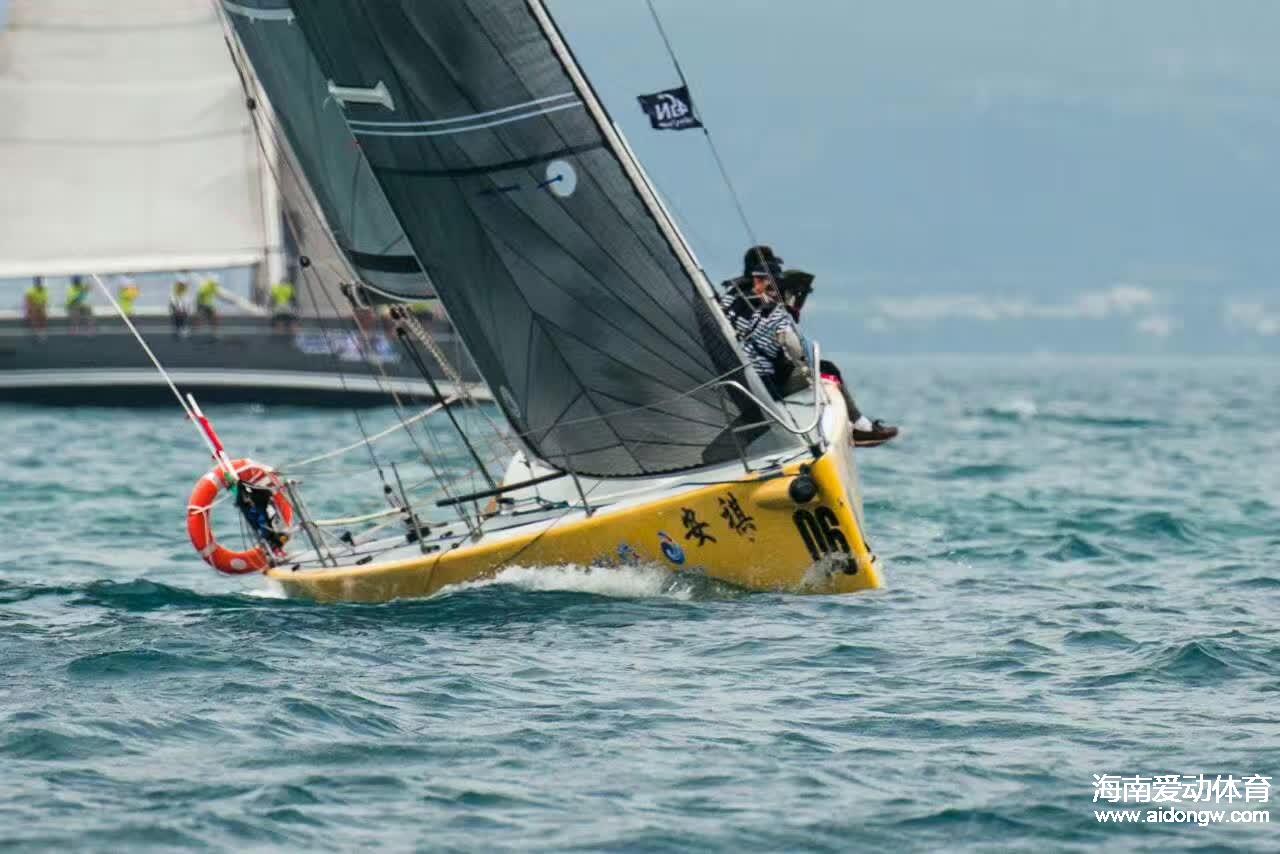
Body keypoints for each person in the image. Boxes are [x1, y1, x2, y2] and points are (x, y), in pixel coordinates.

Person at [723, 246, 899, 447]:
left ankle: (857, 427)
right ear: (765, 279)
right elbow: (795, 349)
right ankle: (861, 428)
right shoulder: (772, 311)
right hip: (767, 383)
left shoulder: (733, 296)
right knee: (829, 370)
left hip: (738, 373)